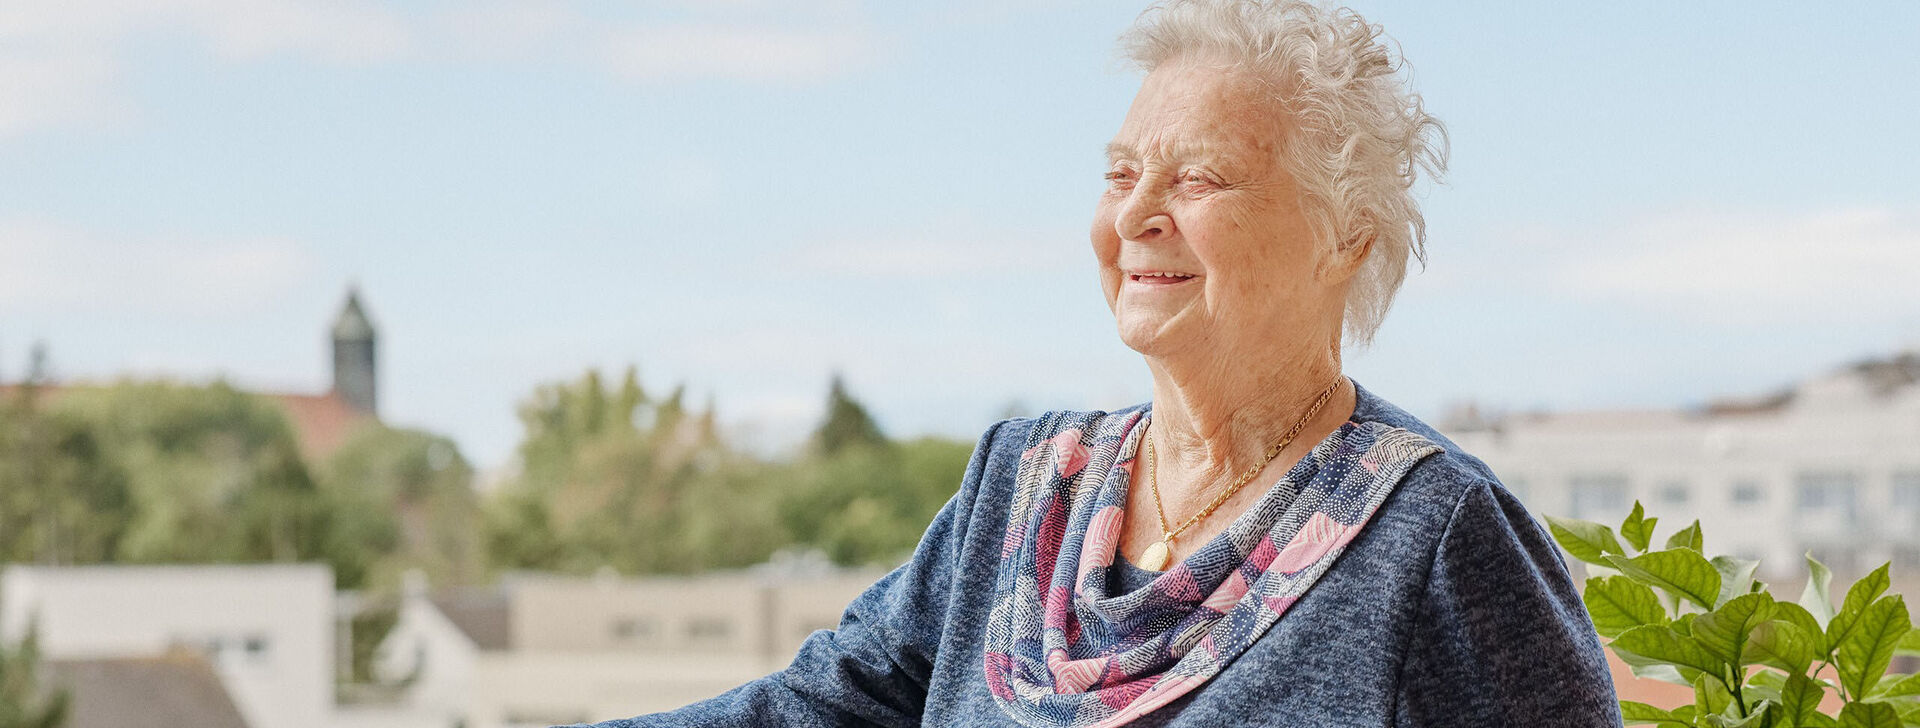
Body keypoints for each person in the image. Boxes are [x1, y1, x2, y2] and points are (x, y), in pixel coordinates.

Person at [570, 0, 1620, 725]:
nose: (1134, 215)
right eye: (1121, 173)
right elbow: (825, 704)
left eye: (1198, 176)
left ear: (1345, 233)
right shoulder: (1021, 488)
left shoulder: (1437, 538)